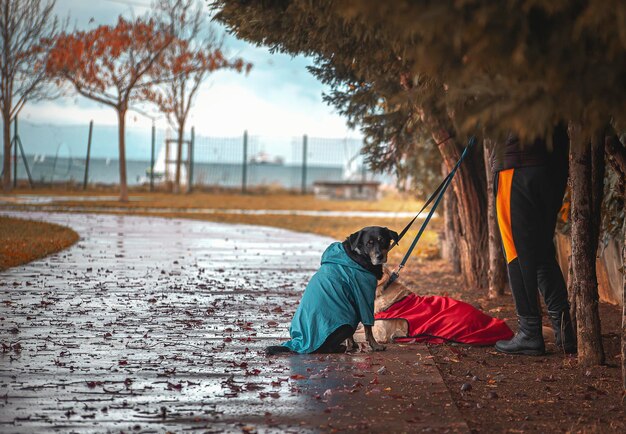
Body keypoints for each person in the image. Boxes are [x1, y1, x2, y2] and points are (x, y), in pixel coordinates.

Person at [491, 124, 576, 355]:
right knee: (540, 252)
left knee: (516, 251)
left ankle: (529, 332)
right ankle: (564, 331)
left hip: (517, 162)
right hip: (554, 164)